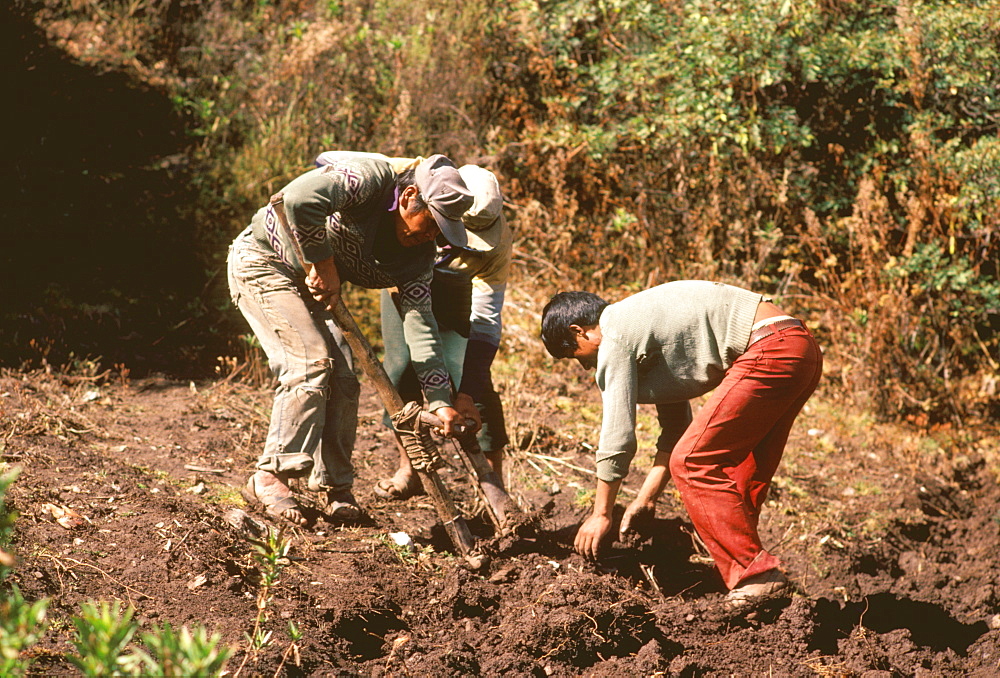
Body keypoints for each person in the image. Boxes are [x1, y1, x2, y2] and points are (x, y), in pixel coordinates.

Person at [227, 153, 481, 526]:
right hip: (265, 262)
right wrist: (322, 262)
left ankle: (335, 487)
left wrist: (440, 400)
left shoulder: (419, 259)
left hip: (312, 289)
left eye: (441, 232)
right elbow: (299, 199)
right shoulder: (367, 181)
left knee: (345, 379)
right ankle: (269, 476)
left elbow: (422, 329)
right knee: (310, 361)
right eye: (430, 224)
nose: (432, 237)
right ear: (409, 196)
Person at [540, 281, 822, 606]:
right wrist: (646, 500)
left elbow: (617, 438)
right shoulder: (643, 329)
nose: (585, 366)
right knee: (744, 470)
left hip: (768, 350)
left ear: (580, 332)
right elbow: (675, 430)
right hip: (799, 348)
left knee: (692, 462)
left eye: (573, 355)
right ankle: (757, 580)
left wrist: (601, 513)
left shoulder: (613, 333)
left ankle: (754, 573)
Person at [314, 152, 511, 499]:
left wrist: (465, 393)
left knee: (471, 378)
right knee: (401, 370)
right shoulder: (416, 179)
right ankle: (411, 465)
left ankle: (494, 487)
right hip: (401, 280)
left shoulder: (496, 248)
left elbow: (487, 322)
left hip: (455, 291)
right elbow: (327, 163)